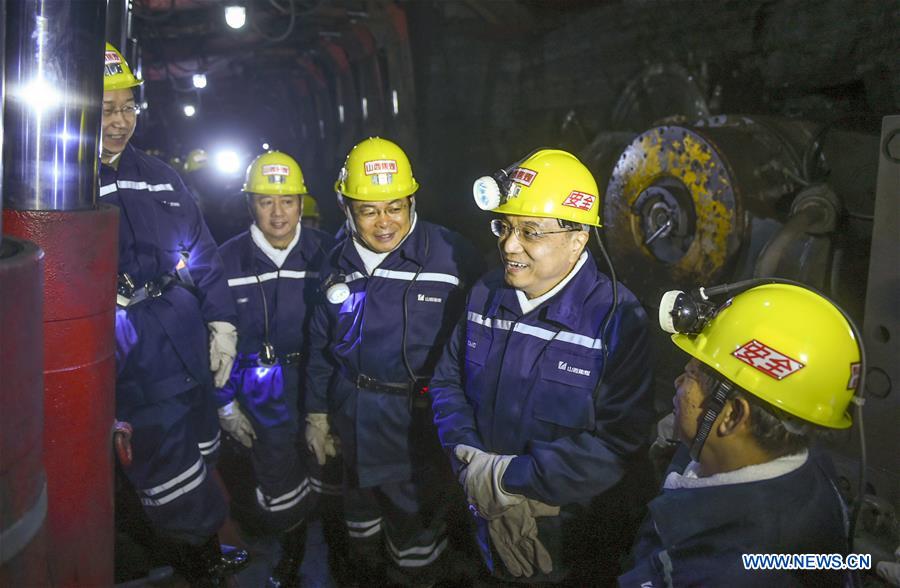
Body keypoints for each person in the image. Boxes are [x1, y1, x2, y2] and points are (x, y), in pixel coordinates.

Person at [430, 149, 655, 585]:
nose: (509, 245)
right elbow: (447, 382)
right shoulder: (485, 293)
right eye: (505, 226)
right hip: (478, 503)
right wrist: (473, 468)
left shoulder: (616, 319)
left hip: (568, 528)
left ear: (578, 238)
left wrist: (510, 482)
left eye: (530, 232)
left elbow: (618, 442)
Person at [304, 137, 483, 585]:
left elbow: (481, 343)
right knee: (359, 518)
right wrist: (317, 412)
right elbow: (321, 344)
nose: (384, 222)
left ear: (411, 200)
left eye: (394, 207)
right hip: (352, 412)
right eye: (369, 210)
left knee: (415, 529)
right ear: (346, 207)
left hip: (414, 423)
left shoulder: (452, 256)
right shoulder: (334, 261)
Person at [100, 43, 247, 586]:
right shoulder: (58, 179)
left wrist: (221, 322)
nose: (120, 121)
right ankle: (198, 561)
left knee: (199, 444)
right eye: (106, 108)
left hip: (180, 333)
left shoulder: (160, 176)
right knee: (165, 463)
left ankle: (193, 547)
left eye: (128, 106)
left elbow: (202, 252)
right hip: (129, 347)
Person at [619, 283, 862, 587]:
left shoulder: (729, 570)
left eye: (692, 375)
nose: (679, 382)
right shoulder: (803, 463)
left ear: (733, 416)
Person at [217, 151, 334, 587]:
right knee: (277, 478)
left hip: (318, 379)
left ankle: (332, 550)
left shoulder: (327, 253)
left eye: (287, 200)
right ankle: (291, 558)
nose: (278, 212)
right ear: (250, 204)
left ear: (302, 203)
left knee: (329, 471)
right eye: (266, 201)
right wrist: (224, 403)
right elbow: (209, 341)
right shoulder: (227, 262)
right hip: (260, 388)